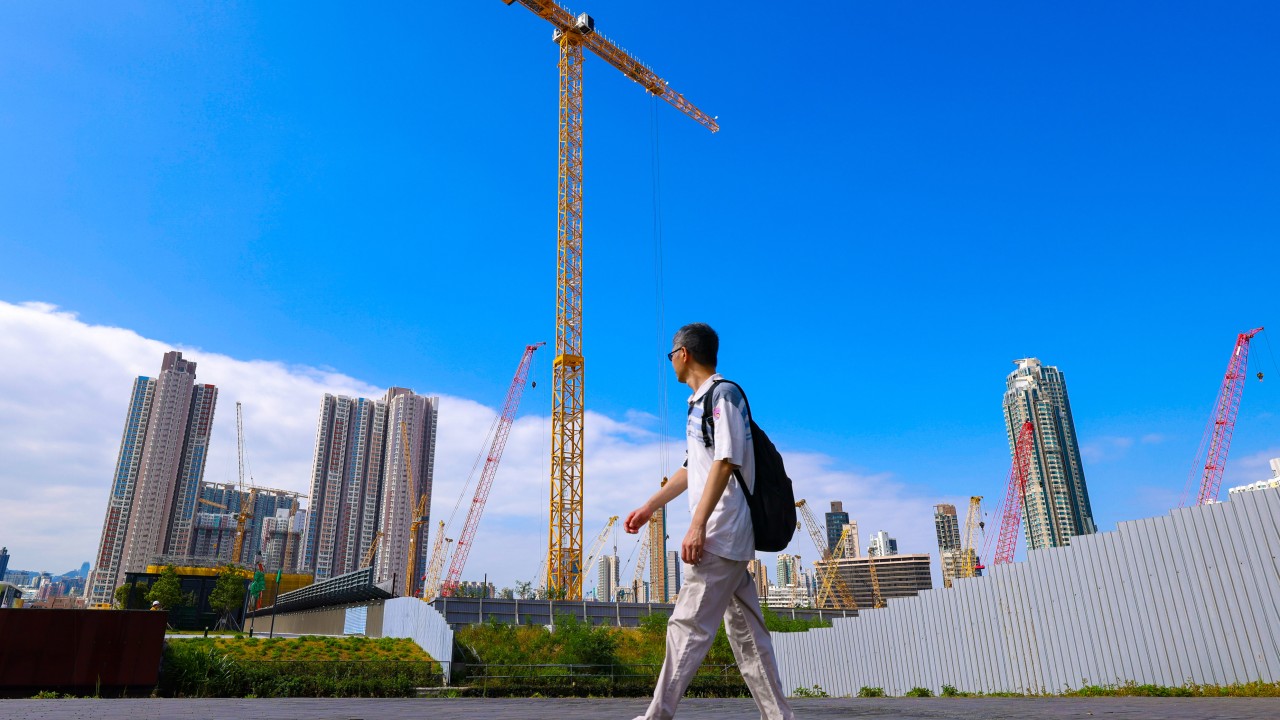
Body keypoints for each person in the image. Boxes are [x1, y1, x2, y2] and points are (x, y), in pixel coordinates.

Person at [624, 322, 794, 720]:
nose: (670, 363)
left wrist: (698, 525)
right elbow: (693, 468)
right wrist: (651, 506)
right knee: (749, 638)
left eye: (671, 355)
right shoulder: (699, 404)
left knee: (686, 628)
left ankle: (657, 716)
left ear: (683, 353)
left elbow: (726, 460)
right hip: (727, 537)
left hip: (720, 533)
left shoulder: (725, 395)